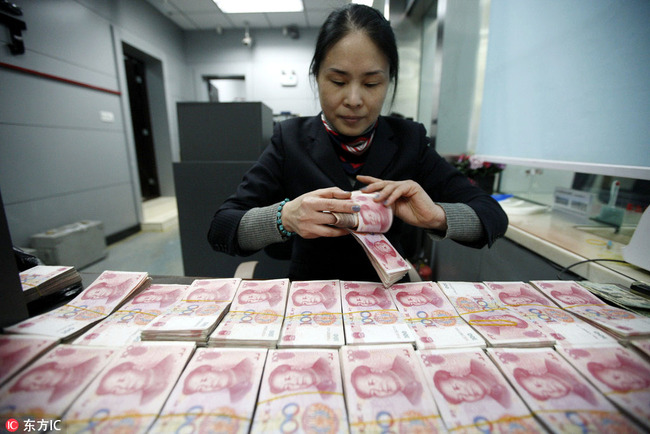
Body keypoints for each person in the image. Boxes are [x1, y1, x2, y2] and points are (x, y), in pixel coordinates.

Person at [207, 4, 508, 282]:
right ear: (316, 76)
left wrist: (436, 216)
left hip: (390, 300)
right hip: (312, 300)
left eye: (371, 84)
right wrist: (284, 218)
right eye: (338, 81)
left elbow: (492, 216)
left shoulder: (409, 141)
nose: (353, 100)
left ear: (389, 81)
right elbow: (222, 227)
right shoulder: (290, 140)